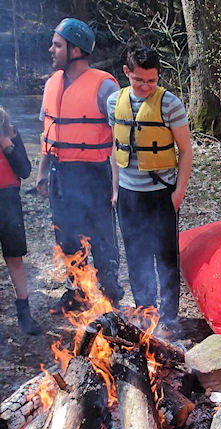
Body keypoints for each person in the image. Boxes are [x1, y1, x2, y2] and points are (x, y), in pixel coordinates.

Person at [36, 18, 123, 314]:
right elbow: (48, 132)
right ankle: (79, 291)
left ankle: (110, 294)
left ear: (75, 50)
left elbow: (121, 138)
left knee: (102, 237)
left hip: (93, 175)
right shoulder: (51, 84)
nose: (51, 50)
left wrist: (116, 184)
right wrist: (42, 174)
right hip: (61, 175)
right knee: (67, 236)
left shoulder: (104, 86)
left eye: (57, 45)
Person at [107, 45, 192, 332]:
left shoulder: (170, 104)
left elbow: (186, 151)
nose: (146, 86)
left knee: (166, 257)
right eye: (139, 80)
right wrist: (116, 188)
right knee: (136, 255)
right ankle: (145, 312)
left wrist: (178, 192)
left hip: (161, 193)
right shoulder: (113, 102)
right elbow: (115, 148)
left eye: (152, 81)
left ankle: (169, 318)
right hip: (129, 195)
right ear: (126, 72)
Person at [0, 107, 42, 335]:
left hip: (8, 200)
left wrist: (7, 144)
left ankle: (24, 313)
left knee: (14, 257)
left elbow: (25, 170)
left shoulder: (12, 134)